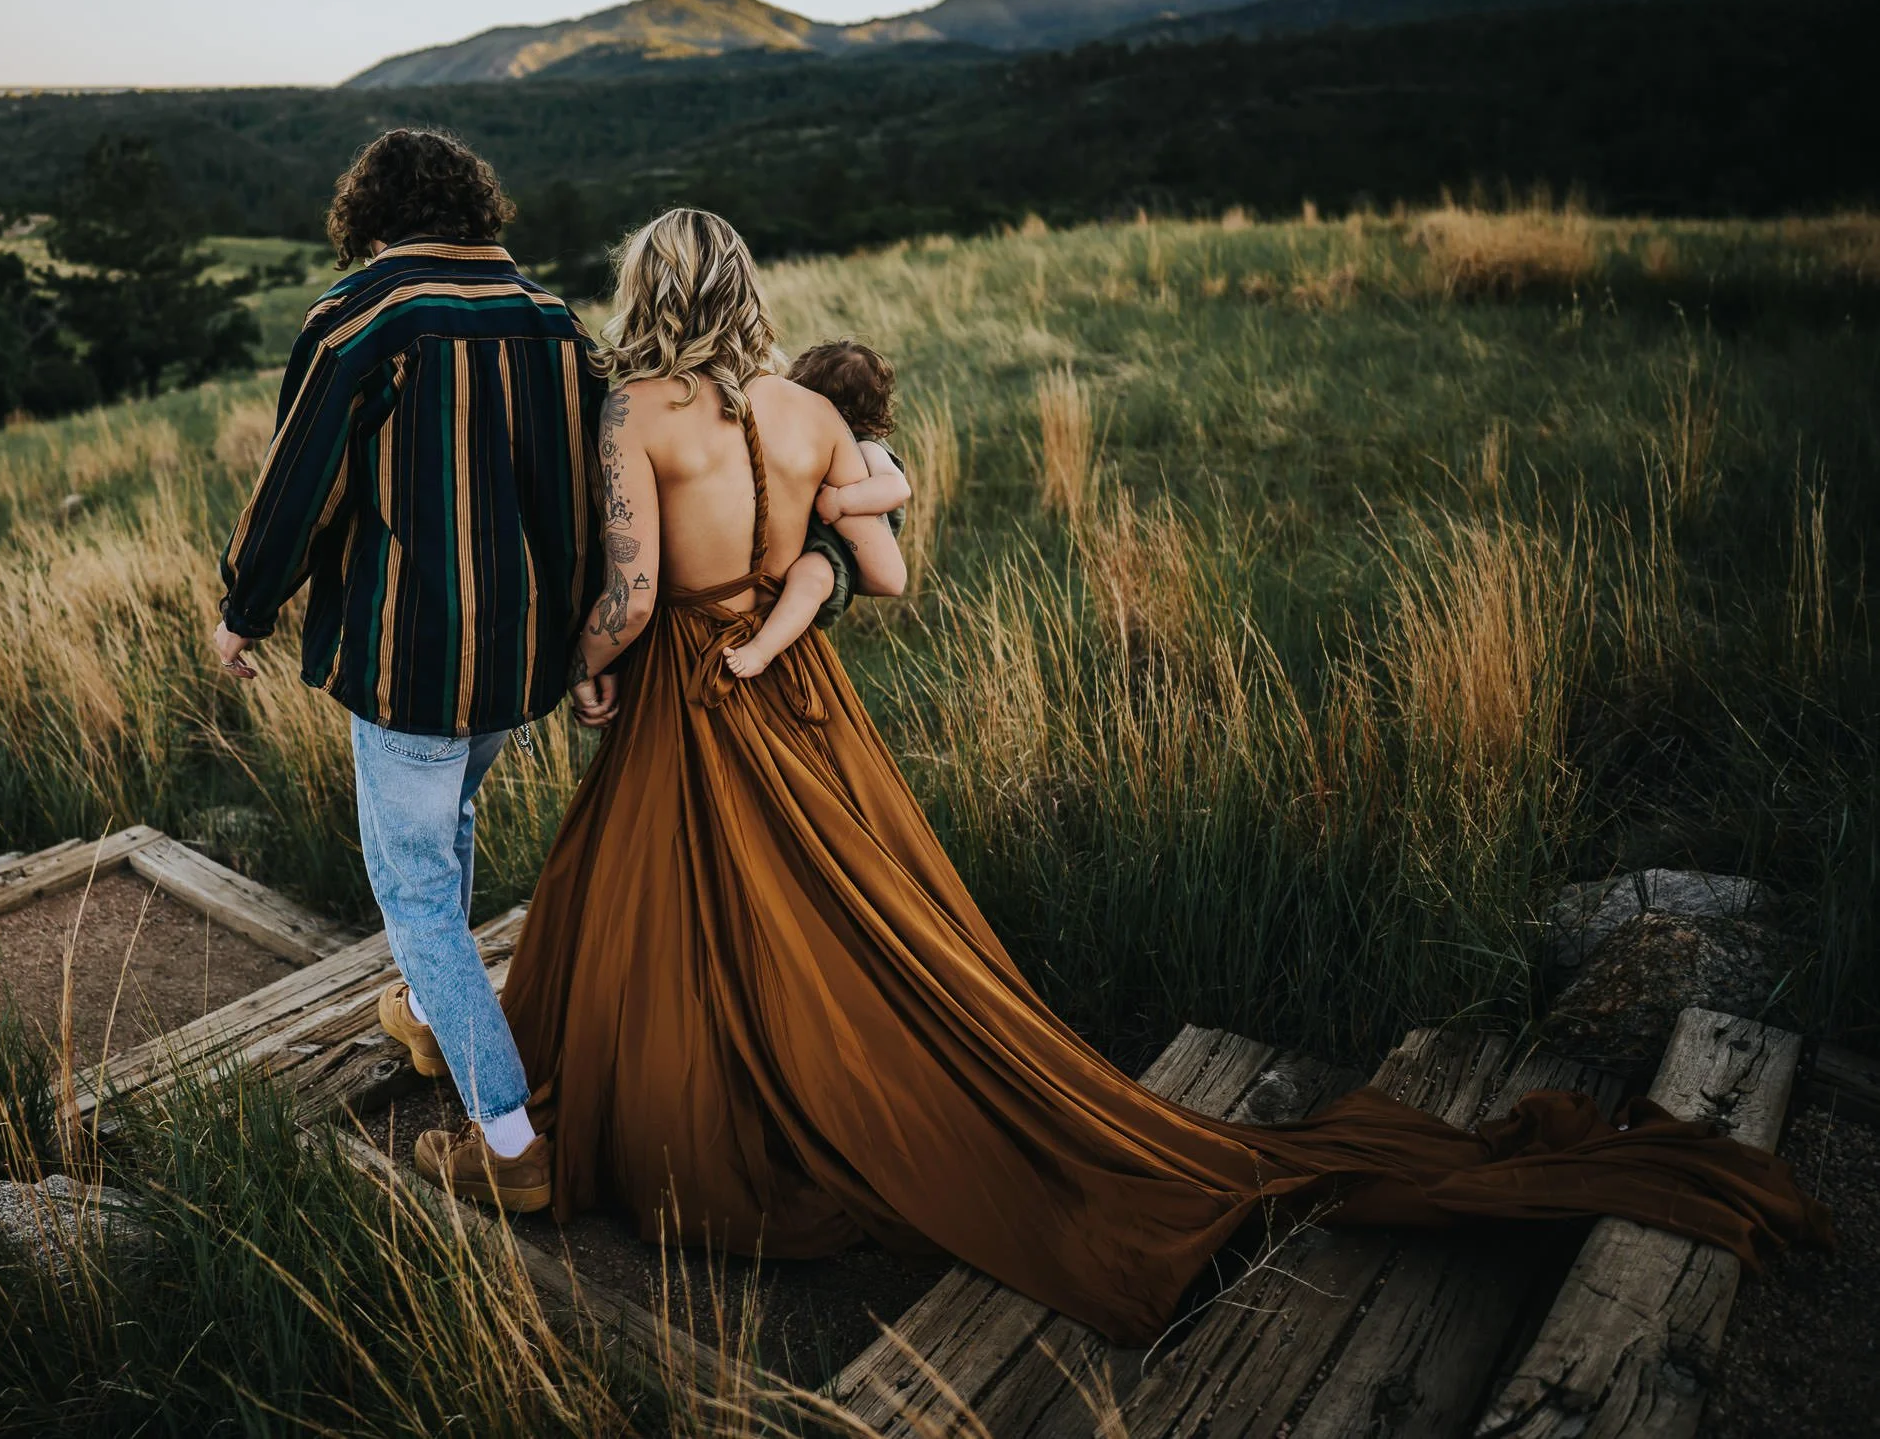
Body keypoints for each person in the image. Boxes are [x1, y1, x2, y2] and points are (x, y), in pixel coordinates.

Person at [427, 206, 1825, 1351]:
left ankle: (664, 1111)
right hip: (797, 690)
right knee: (853, 909)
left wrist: (593, 668)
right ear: (742, 286)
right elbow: (870, 555)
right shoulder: (802, 409)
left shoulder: (633, 410)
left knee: (662, 904)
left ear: (647, 293)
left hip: (689, 679)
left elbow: (625, 589)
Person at [213, 128, 604, 1210]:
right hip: (517, 662)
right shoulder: (555, 322)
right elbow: (578, 504)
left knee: (415, 890)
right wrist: (573, 650)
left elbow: (300, 486)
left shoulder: (360, 317)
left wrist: (243, 608)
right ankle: (430, 1020)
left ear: (369, 219)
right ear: (475, 210)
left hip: (407, 659)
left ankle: (512, 1142)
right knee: (450, 831)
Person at [722, 338, 910, 680]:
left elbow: (896, 488)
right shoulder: (813, 439)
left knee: (812, 577)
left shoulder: (867, 448)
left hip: (835, 549)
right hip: (816, 534)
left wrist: (841, 501)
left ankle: (761, 651)